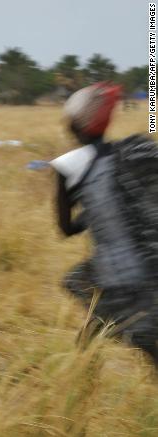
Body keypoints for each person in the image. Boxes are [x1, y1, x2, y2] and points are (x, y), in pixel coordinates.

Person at [50, 82, 158, 365]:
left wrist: (90, 214)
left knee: (93, 297)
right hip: (152, 262)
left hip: (116, 275)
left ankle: (79, 375)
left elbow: (65, 229)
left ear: (75, 124)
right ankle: (81, 371)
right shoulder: (137, 152)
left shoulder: (68, 165)